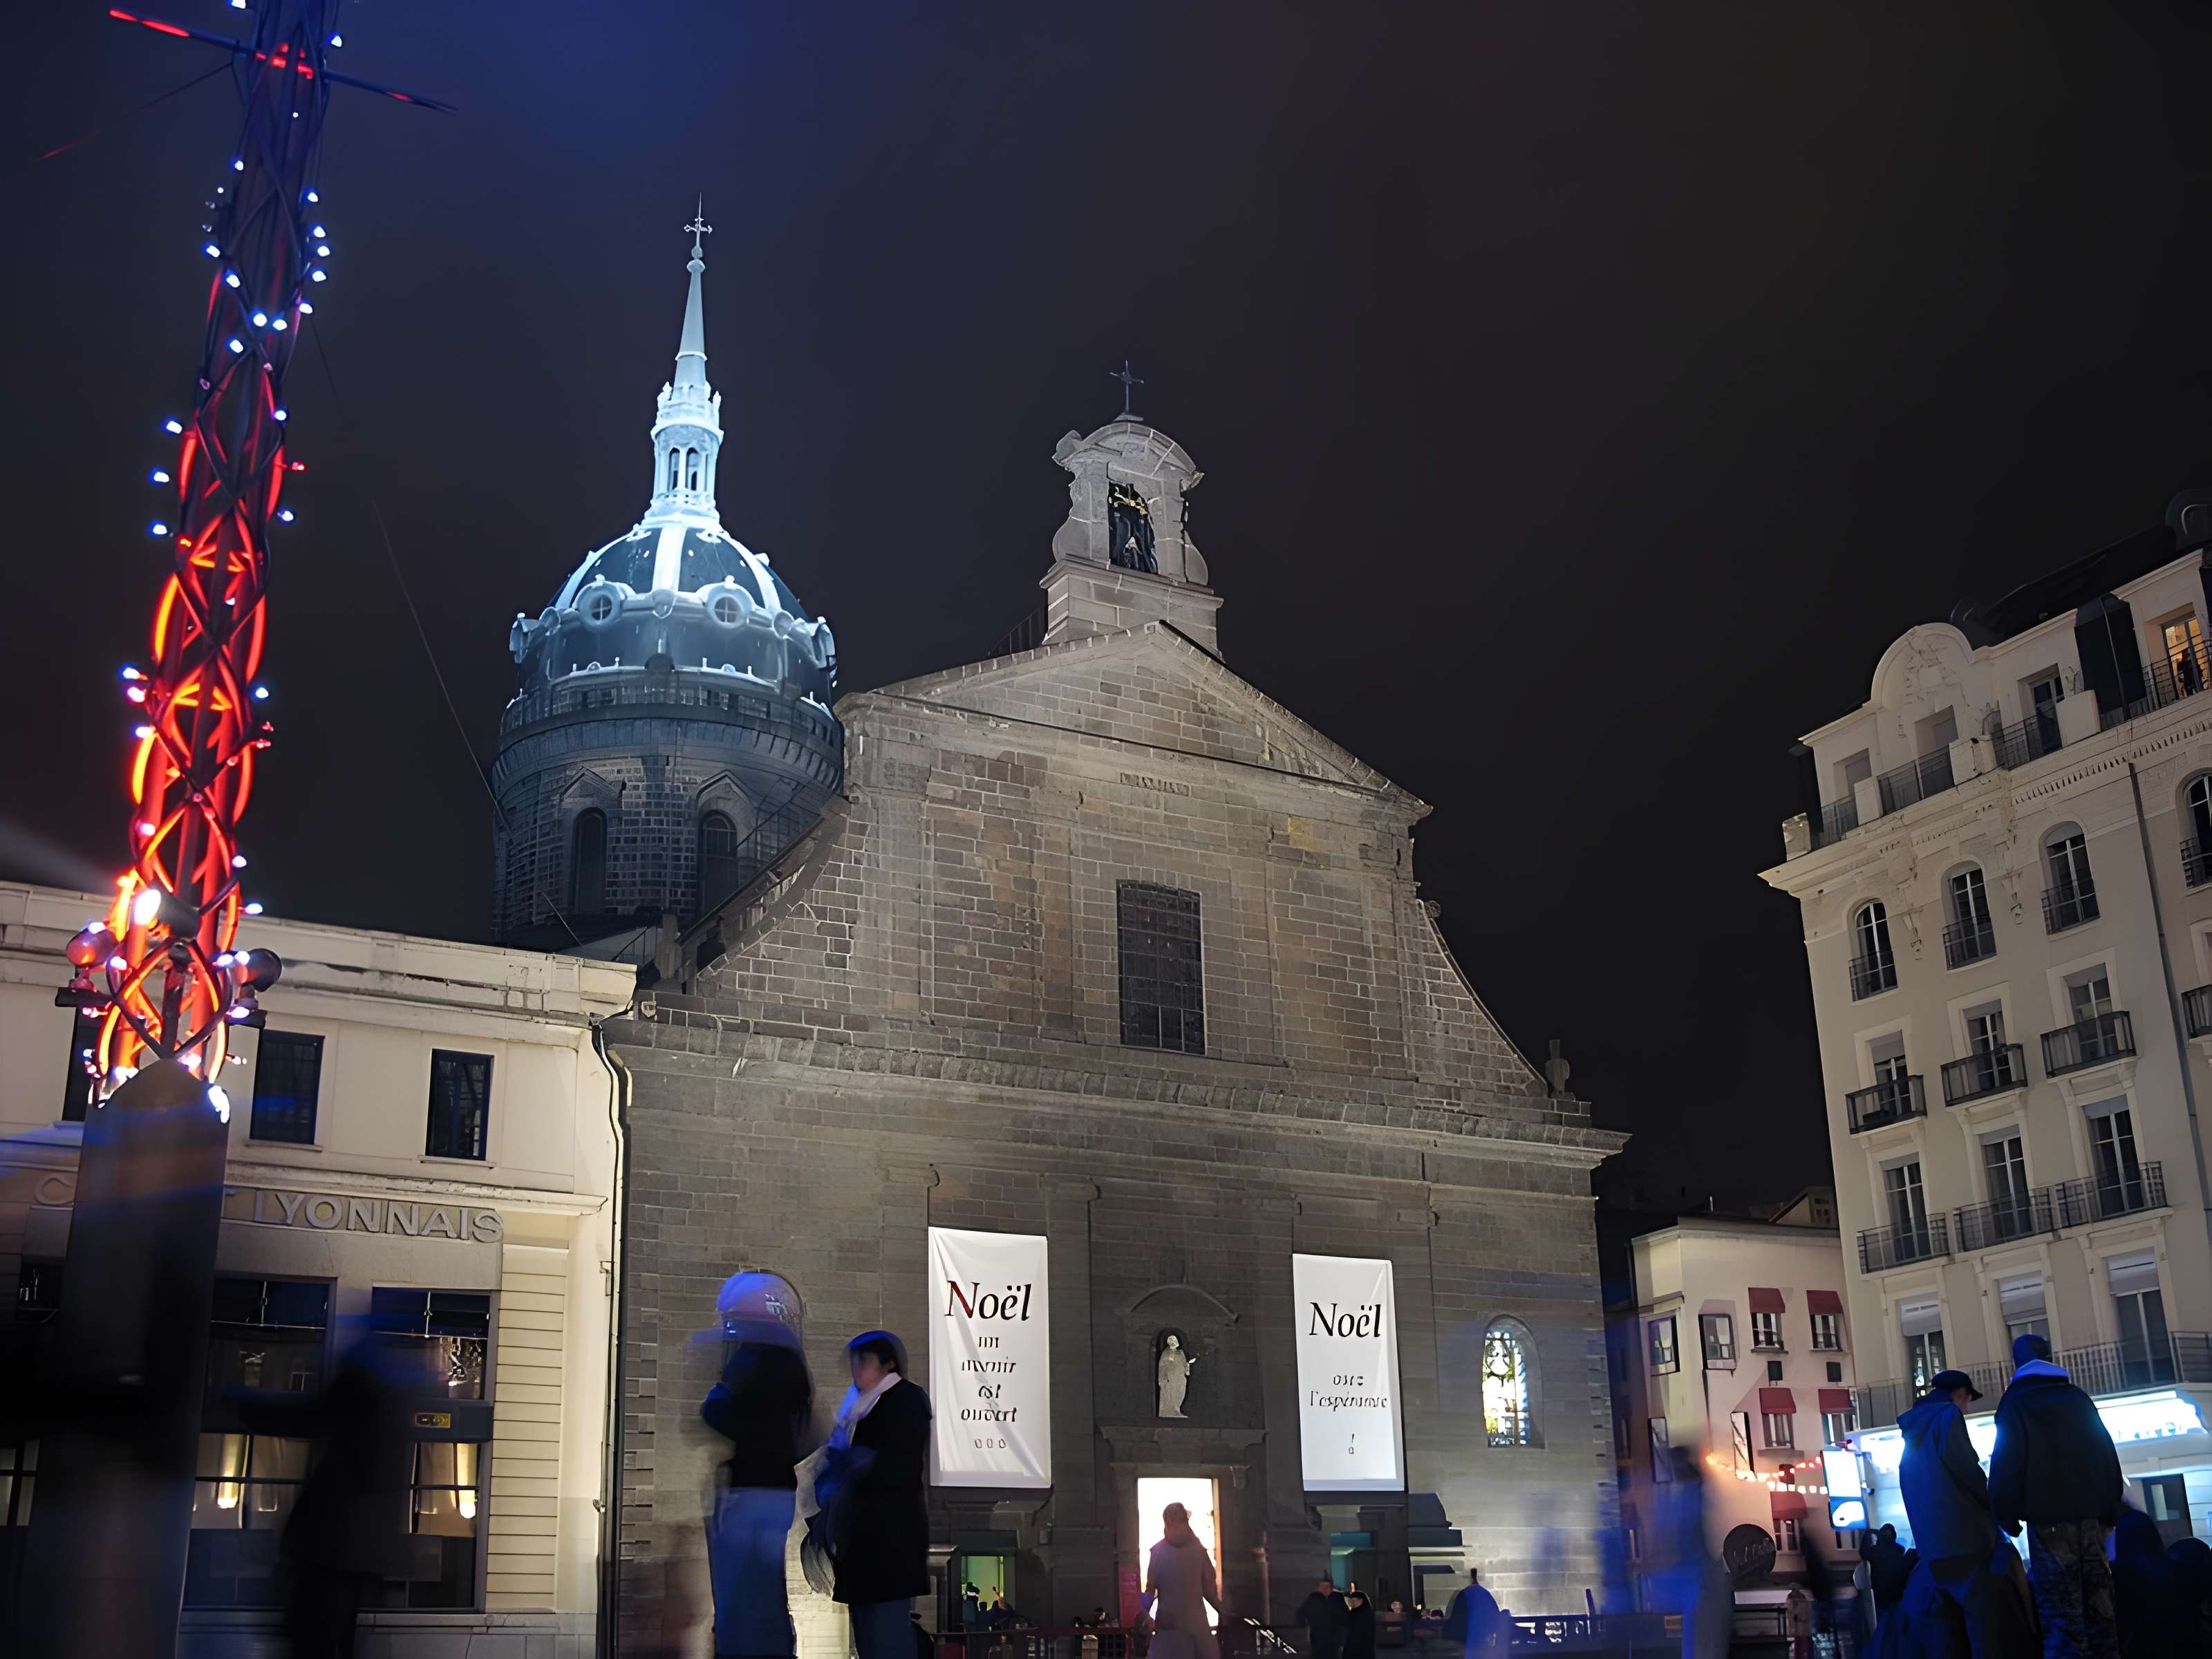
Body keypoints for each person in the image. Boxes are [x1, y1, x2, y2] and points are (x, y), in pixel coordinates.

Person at [232, 1328, 415, 1659]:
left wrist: (239, 1403)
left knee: (312, 1634)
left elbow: (305, 1418)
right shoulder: (391, 1402)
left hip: (329, 1548)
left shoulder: (359, 1392)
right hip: (356, 1554)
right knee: (336, 1636)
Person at [700, 1272, 814, 1659]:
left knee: (737, 1587)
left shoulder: (748, 1360)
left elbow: (714, 1409)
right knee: (769, 1585)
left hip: (747, 1488)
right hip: (780, 1490)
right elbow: (806, 1432)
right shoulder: (795, 1366)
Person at [1987, 1333, 2123, 1659]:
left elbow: (2007, 1462)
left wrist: (2007, 1515)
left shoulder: (2015, 1403)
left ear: (2018, 1363)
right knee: (2101, 1612)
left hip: (2048, 1524)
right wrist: (2109, 1510)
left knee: (2063, 1617)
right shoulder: (2077, 1397)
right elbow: (2106, 1454)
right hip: (2091, 1520)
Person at [1895, 1368, 2035, 1657]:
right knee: (1984, 1628)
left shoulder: (1913, 1431)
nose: (1966, 1407)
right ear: (1959, 1393)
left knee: (1949, 1632)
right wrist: (1996, 1504)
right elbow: (1966, 1469)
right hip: (1966, 1539)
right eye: (1967, 1400)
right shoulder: (1947, 1416)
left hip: (1933, 1548)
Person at [821, 1331, 933, 1659]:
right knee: (869, 1640)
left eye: (865, 1361)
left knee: (887, 1640)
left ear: (888, 1365)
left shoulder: (905, 1399)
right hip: (864, 1542)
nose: (857, 1370)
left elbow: (900, 1464)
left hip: (889, 1542)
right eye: (854, 1362)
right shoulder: (857, 1408)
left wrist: (856, 1463)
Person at [1141, 1500, 1221, 1659]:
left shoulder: (1158, 1552)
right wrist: (1223, 1611)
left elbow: (1150, 1591)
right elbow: (1209, 1589)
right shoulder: (1198, 1550)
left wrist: (1143, 1613)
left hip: (1170, 1630)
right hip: (1194, 1629)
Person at [1441, 1568, 1500, 1653]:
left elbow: (1455, 1617)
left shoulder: (1463, 1595)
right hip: (1480, 1638)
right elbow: (1495, 1615)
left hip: (1467, 1638)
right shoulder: (1485, 1594)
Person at [1299, 1577, 1349, 1659]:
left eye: (1327, 1587)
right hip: (1318, 1638)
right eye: (1322, 1586)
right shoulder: (1313, 1599)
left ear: (1331, 1588)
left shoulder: (1337, 1598)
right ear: (1319, 1588)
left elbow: (1345, 1616)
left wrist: (1343, 1635)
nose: (1325, 1589)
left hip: (1334, 1639)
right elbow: (1302, 1613)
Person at [1866, 1525, 1910, 1615]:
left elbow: (1863, 1552)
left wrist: (1868, 1534)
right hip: (1896, 1592)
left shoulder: (1875, 1551)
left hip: (1881, 1592)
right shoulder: (1900, 1550)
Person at [1342, 1586, 1377, 1659]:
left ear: (1361, 1601)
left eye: (1354, 1600)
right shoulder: (1354, 1611)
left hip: (1362, 1649)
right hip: (1352, 1648)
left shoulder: (1365, 1613)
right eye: (1351, 1600)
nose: (1352, 1603)